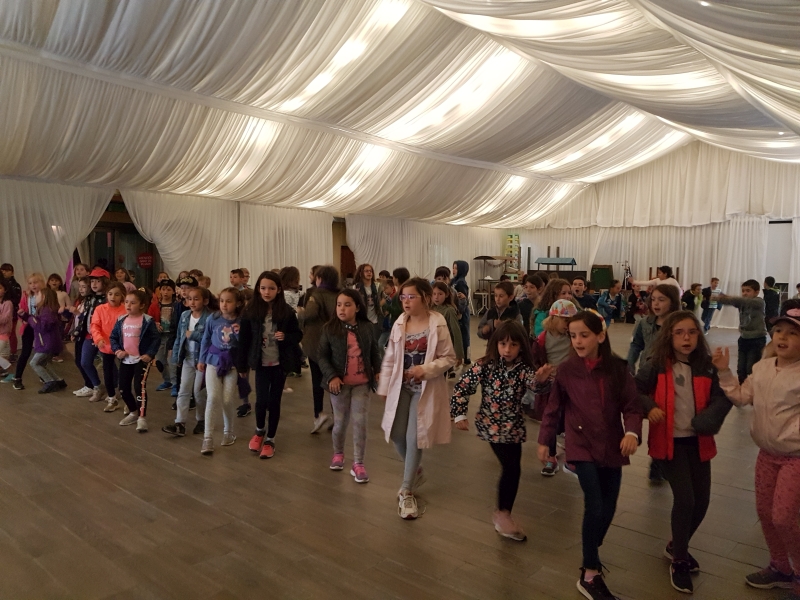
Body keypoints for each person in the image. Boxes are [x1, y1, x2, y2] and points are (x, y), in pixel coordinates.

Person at [537, 310, 642, 600]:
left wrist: (632, 433)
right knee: (594, 504)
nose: (578, 341)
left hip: (611, 444)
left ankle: (591, 548)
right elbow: (553, 408)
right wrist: (545, 440)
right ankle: (590, 571)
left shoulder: (618, 368)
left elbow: (632, 406)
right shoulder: (567, 370)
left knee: (608, 507)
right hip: (580, 444)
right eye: (573, 335)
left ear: (600, 336)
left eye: (584, 335)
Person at [635, 311, 732, 594]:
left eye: (691, 332)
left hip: (698, 442)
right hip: (670, 443)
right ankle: (679, 559)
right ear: (669, 336)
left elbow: (722, 396)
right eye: (679, 332)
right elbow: (633, 391)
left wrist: (708, 420)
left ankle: (676, 545)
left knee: (702, 501)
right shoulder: (655, 364)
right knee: (686, 499)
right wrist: (649, 407)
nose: (686, 338)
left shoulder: (706, 365)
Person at [713, 299, 800, 600]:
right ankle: (780, 567)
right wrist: (724, 372)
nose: (783, 337)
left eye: (793, 333)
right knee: (765, 512)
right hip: (766, 454)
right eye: (780, 331)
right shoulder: (762, 367)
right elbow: (741, 397)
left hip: (795, 458)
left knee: (784, 517)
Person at [451, 321, 547, 541]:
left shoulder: (524, 369)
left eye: (513, 345)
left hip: (513, 428)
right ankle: (503, 515)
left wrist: (542, 380)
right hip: (491, 426)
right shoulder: (486, 365)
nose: (507, 349)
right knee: (511, 468)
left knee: (513, 469)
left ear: (521, 346)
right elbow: (462, 386)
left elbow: (536, 386)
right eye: (503, 344)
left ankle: (504, 514)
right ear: (496, 344)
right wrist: (459, 414)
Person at [378, 277, 457, 520]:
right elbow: (391, 357)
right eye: (403, 297)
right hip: (401, 387)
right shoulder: (399, 323)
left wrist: (426, 369)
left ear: (425, 298)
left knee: (414, 437)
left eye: (411, 297)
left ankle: (406, 490)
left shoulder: (437, 322)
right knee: (396, 433)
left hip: (424, 389)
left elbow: (449, 358)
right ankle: (415, 471)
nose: (406, 301)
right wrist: (384, 387)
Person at [318, 289, 381, 482]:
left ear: (358, 307)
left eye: (347, 305)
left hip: (362, 384)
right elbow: (322, 356)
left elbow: (374, 352)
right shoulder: (329, 329)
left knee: (360, 423)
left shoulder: (367, 327)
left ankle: (359, 463)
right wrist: (332, 377)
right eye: (339, 305)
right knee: (340, 423)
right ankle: (338, 453)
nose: (342, 309)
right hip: (339, 386)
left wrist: (378, 370)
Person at [239, 271, 303, 459]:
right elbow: (243, 340)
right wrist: (242, 365)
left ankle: (270, 439)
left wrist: (286, 337)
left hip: (279, 364)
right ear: (258, 289)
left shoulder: (286, 312)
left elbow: (297, 334)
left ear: (279, 290)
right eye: (263, 288)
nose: (267, 292)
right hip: (260, 364)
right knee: (261, 401)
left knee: (274, 402)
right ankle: (259, 431)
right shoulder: (250, 311)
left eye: (271, 288)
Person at [198, 287, 244, 455]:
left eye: (228, 301)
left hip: (232, 364)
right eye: (221, 301)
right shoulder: (213, 318)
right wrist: (201, 359)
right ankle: (207, 437)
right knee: (213, 397)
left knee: (227, 399)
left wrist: (238, 333)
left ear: (237, 303)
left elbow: (245, 344)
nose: (224, 304)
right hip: (213, 361)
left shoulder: (241, 320)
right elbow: (205, 339)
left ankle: (228, 432)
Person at [536, 299, 579, 476]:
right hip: (551, 385)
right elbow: (536, 360)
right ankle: (551, 457)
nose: (568, 325)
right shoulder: (542, 339)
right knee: (551, 422)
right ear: (553, 318)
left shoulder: (573, 337)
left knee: (571, 420)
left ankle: (573, 456)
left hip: (571, 385)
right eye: (565, 320)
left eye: (571, 321)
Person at [162, 287, 210, 438]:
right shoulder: (184, 316)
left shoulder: (210, 318)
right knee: (183, 390)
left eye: (196, 299)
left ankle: (201, 420)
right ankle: (180, 423)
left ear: (205, 301)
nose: (192, 302)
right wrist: (176, 357)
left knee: (199, 392)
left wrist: (193, 335)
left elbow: (210, 340)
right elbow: (179, 337)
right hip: (188, 359)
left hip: (202, 360)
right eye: (189, 299)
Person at [110, 290, 160, 432]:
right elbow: (113, 337)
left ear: (142, 305)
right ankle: (133, 411)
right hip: (126, 360)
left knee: (139, 387)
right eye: (126, 302)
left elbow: (155, 339)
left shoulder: (147, 321)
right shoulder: (121, 320)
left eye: (133, 303)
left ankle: (142, 418)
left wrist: (149, 354)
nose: (128, 305)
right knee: (123, 388)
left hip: (141, 360)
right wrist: (117, 351)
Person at [298, 265, 340, 433]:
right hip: (335, 342)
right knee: (333, 379)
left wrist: (300, 312)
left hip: (316, 342)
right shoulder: (339, 294)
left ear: (320, 278)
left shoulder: (316, 294)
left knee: (317, 380)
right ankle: (337, 415)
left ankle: (319, 414)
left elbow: (310, 314)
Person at [718, 279, 767, 383]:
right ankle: (742, 388)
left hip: (756, 340)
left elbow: (742, 301)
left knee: (751, 368)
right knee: (741, 369)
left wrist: (728, 297)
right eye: (743, 291)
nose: (744, 293)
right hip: (744, 339)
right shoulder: (742, 303)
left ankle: (752, 389)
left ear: (757, 292)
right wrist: (721, 299)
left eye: (748, 291)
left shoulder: (759, 302)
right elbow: (734, 302)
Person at [20, 286, 66, 394]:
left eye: (38, 295)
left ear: (44, 297)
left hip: (46, 343)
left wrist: (30, 318)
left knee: (34, 363)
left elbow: (41, 327)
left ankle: (49, 381)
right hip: (49, 342)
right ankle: (58, 380)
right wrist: (25, 316)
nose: (35, 296)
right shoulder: (47, 310)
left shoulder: (46, 311)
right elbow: (38, 321)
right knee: (45, 363)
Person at [627, 284, 681, 374]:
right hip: (646, 370)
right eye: (653, 299)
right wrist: (629, 365)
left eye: (661, 300)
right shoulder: (644, 322)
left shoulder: (680, 325)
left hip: (670, 372)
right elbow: (636, 345)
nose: (656, 303)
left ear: (672, 302)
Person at [91, 282, 127, 412]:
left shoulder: (125, 310)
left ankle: (127, 399)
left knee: (125, 374)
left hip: (123, 347)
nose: (113, 297)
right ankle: (112, 398)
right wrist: (98, 338)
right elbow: (95, 325)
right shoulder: (100, 309)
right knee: (107, 373)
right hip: (106, 345)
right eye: (110, 294)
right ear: (106, 294)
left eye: (117, 294)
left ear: (122, 296)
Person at [9, 272, 46, 391]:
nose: (33, 285)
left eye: (35, 282)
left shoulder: (46, 295)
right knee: (25, 352)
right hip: (29, 325)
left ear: (41, 283)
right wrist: (22, 317)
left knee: (42, 352)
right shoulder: (26, 296)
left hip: (41, 326)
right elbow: (22, 309)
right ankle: (17, 377)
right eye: (30, 283)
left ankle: (43, 375)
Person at [431, 282, 464, 368]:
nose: (436, 297)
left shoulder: (449, 310)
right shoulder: (430, 309)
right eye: (434, 294)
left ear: (446, 295)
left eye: (440, 294)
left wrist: (459, 354)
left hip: (445, 347)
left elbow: (456, 332)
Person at [153, 280, 177, 392]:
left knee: (172, 361)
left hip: (172, 336)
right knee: (159, 360)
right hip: (160, 336)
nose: (166, 292)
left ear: (173, 291)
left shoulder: (176, 305)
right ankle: (167, 380)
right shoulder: (155, 305)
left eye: (169, 289)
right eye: (163, 289)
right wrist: (155, 323)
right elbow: (149, 318)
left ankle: (175, 383)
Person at [353, 263, 382, 340]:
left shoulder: (377, 286)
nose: (369, 273)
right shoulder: (356, 287)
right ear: (361, 273)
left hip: (375, 320)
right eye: (366, 271)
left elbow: (384, 299)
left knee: (375, 342)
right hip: (362, 320)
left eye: (370, 271)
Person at [0, 263, 22, 365]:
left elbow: (16, 299)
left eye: (7, 270)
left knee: (11, 333)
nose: (4, 272)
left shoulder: (15, 285)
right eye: (2, 270)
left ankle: (13, 353)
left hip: (11, 313)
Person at [451, 261, 471, 364]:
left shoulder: (461, 282)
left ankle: (467, 358)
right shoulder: (454, 280)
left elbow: (463, 299)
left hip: (462, 312)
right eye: (453, 268)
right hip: (457, 310)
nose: (453, 270)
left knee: (464, 335)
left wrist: (459, 311)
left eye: (456, 268)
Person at [0, 279, 14, 378]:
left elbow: (5, 319)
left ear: (5, 290)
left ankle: (11, 372)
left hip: (3, 333)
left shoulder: (8, 303)